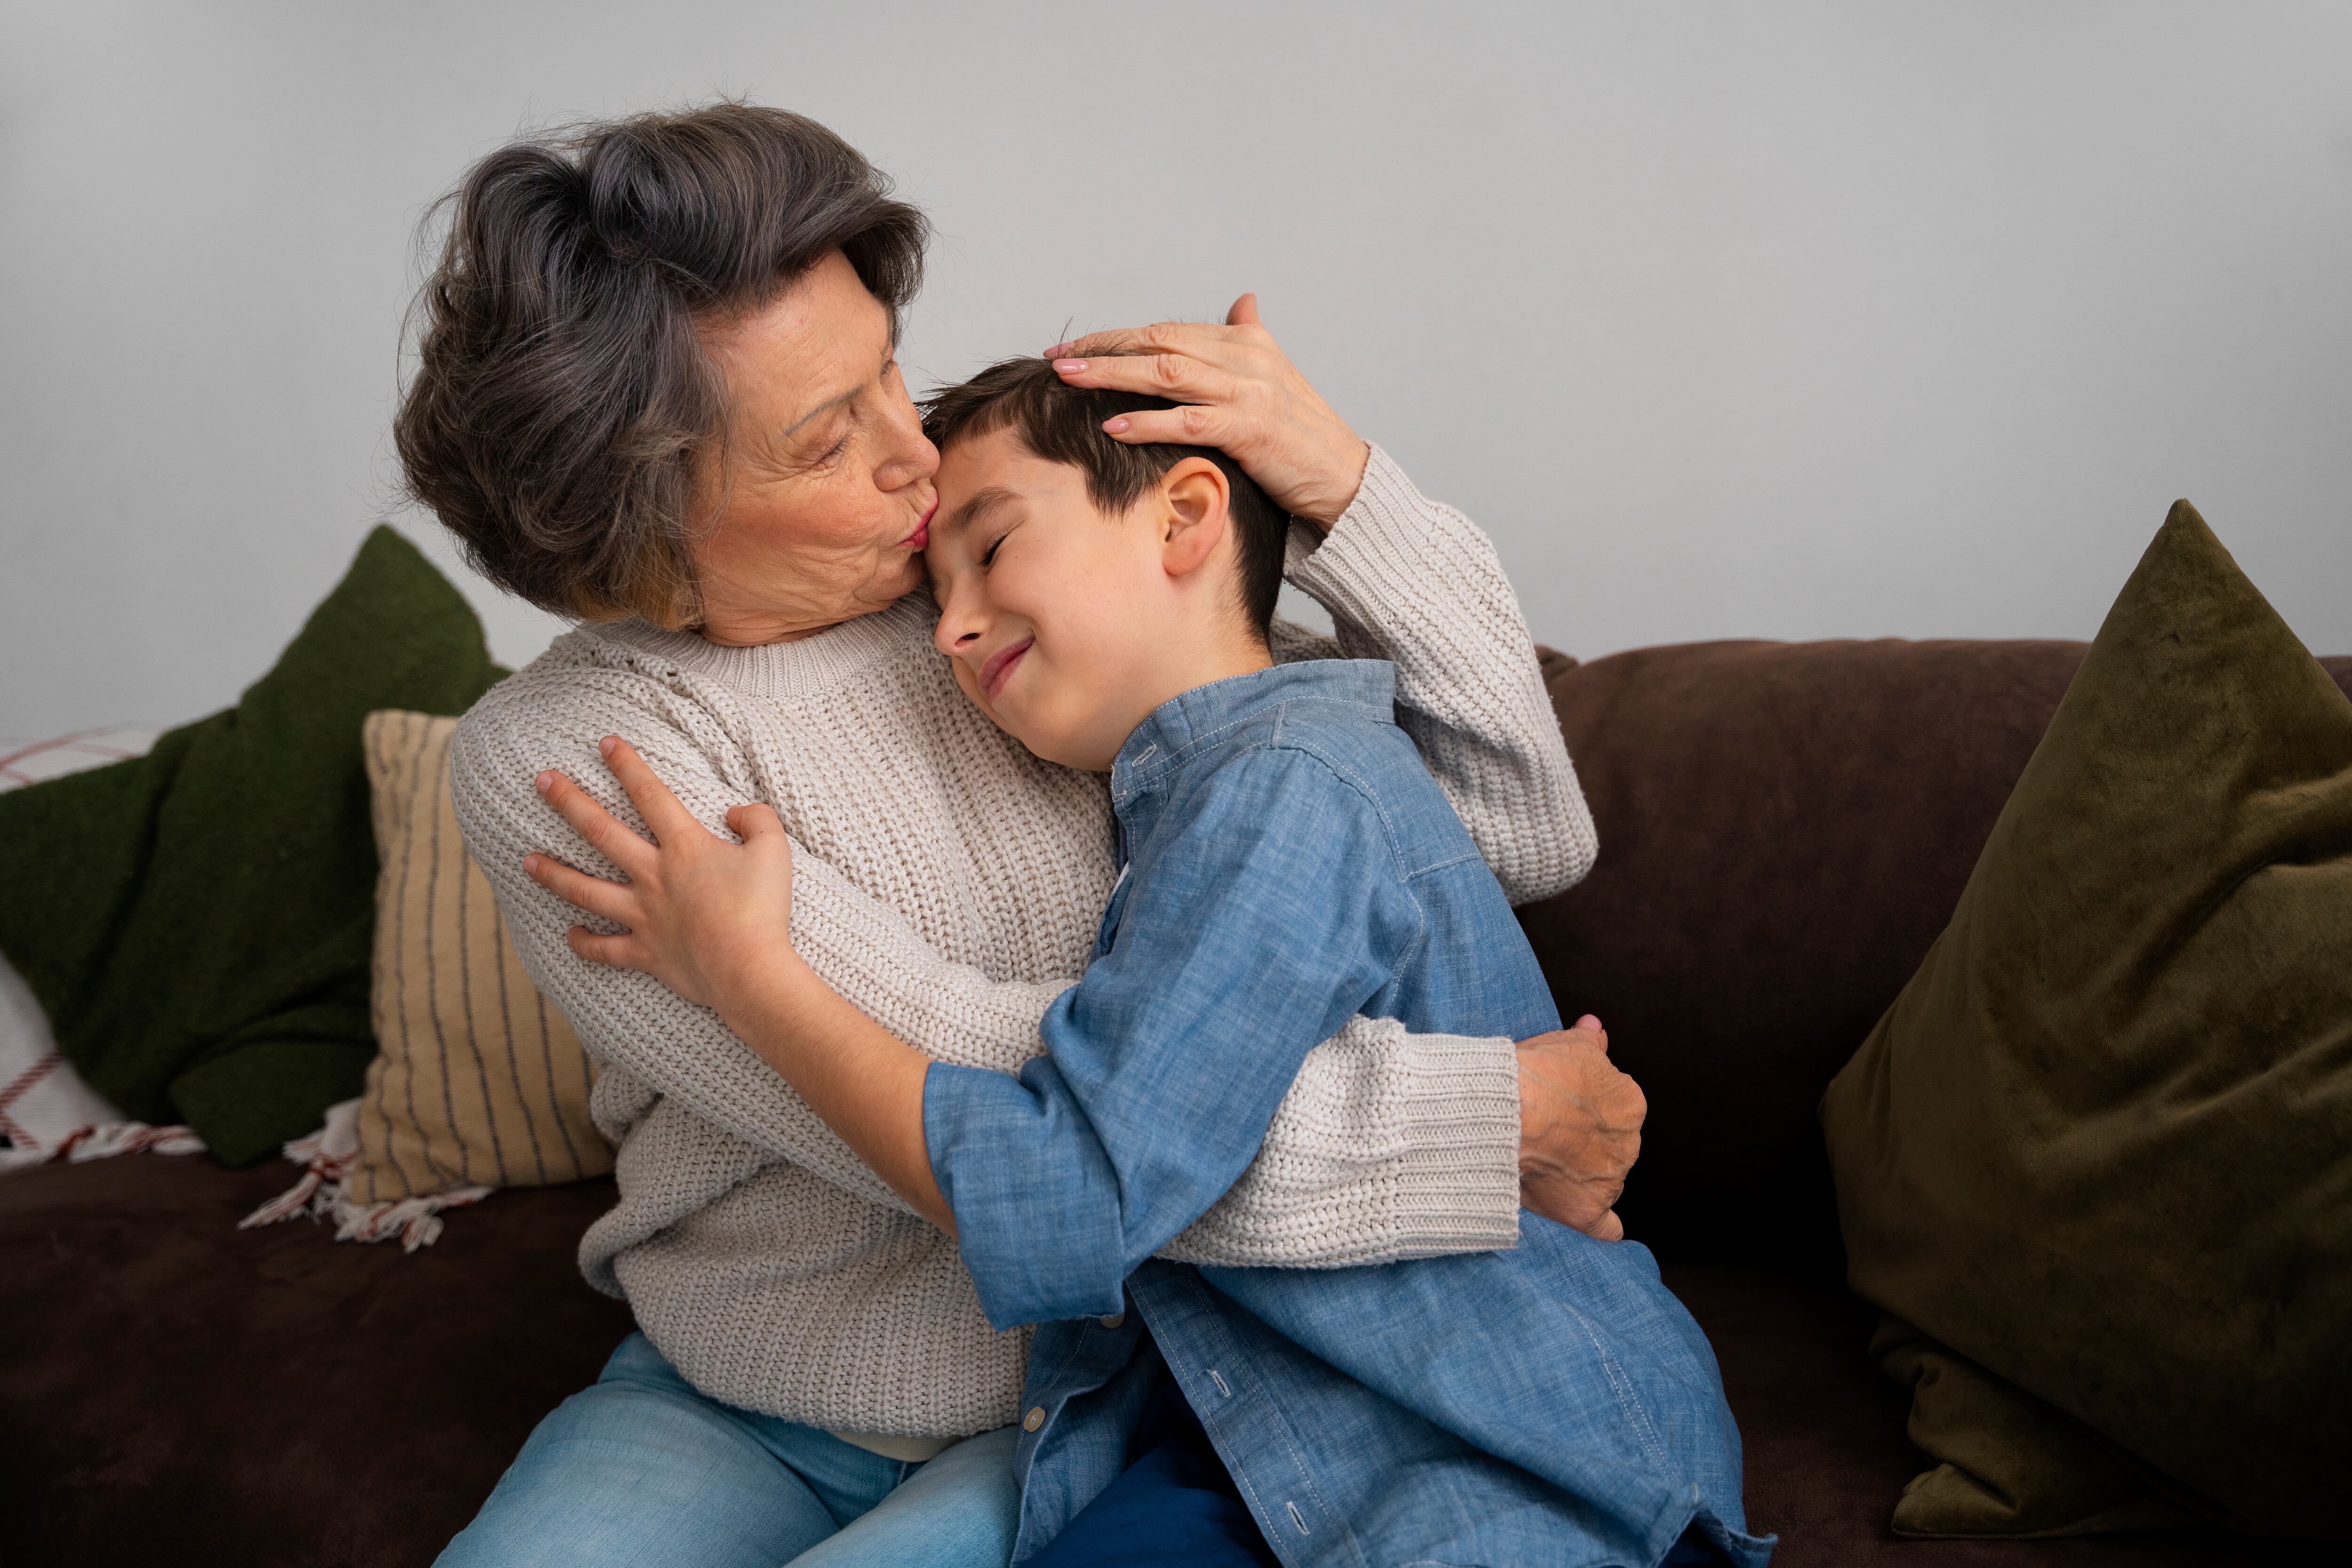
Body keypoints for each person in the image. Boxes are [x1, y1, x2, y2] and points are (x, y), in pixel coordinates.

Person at [401, 102, 1648, 1568]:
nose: (913, 457)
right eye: (824, 441)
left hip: (1103, 1390)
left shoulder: (1020, 594)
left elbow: (1501, 828)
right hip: (745, 1397)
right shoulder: (566, 759)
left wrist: (1344, 483)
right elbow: (996, 1095)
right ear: (642, 539)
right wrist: (1479, 1127)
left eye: (887, 372)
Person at [527, 357, 1767, 1567]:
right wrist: (1487, 1123)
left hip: (1488, 1445)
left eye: (994, 550)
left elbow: (1079, 1187)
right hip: (1259, 1436)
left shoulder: (1281, 786)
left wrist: (756, 975)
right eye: (936, 582)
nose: (950, 630)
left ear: (1184, 517)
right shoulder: (1177, 798)